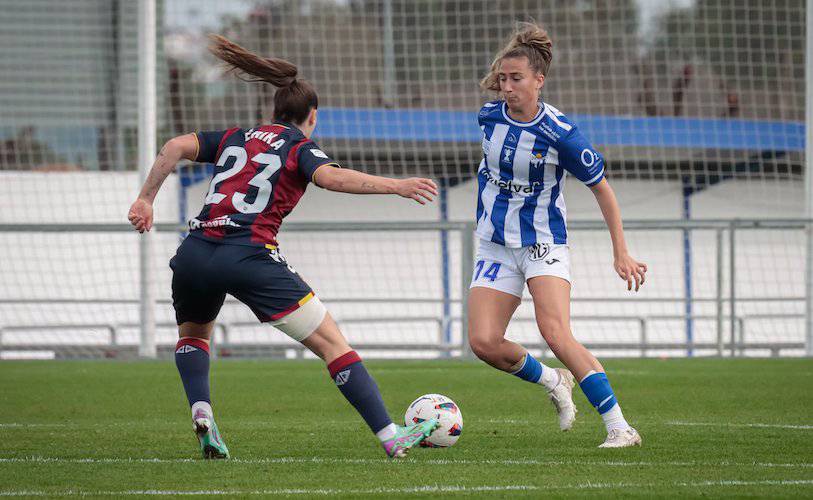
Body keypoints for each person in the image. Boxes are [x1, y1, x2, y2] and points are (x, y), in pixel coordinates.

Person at [127, 34, 439, 459]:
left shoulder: (237, 137)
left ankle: (203, 413)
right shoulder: (298, 146)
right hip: (249, 255)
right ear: (311, 116)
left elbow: (175, 146)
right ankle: (390, 435)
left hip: (196, 251)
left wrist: (146, 197)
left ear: (274, 111)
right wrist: (397, 186)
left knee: (195, 335)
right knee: (333, 344)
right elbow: (333, 178)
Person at [469, 22, 647, 448]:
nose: (507, 87)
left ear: (538, 80)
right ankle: (554, 381)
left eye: (516, 79)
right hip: (494, 243)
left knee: (555, 332)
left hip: (543, 244)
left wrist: (620, 252)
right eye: (503, 79)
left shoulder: (562, 135)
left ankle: (620, 427)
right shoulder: (488, 116)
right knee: (484, 342)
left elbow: (602, 188)